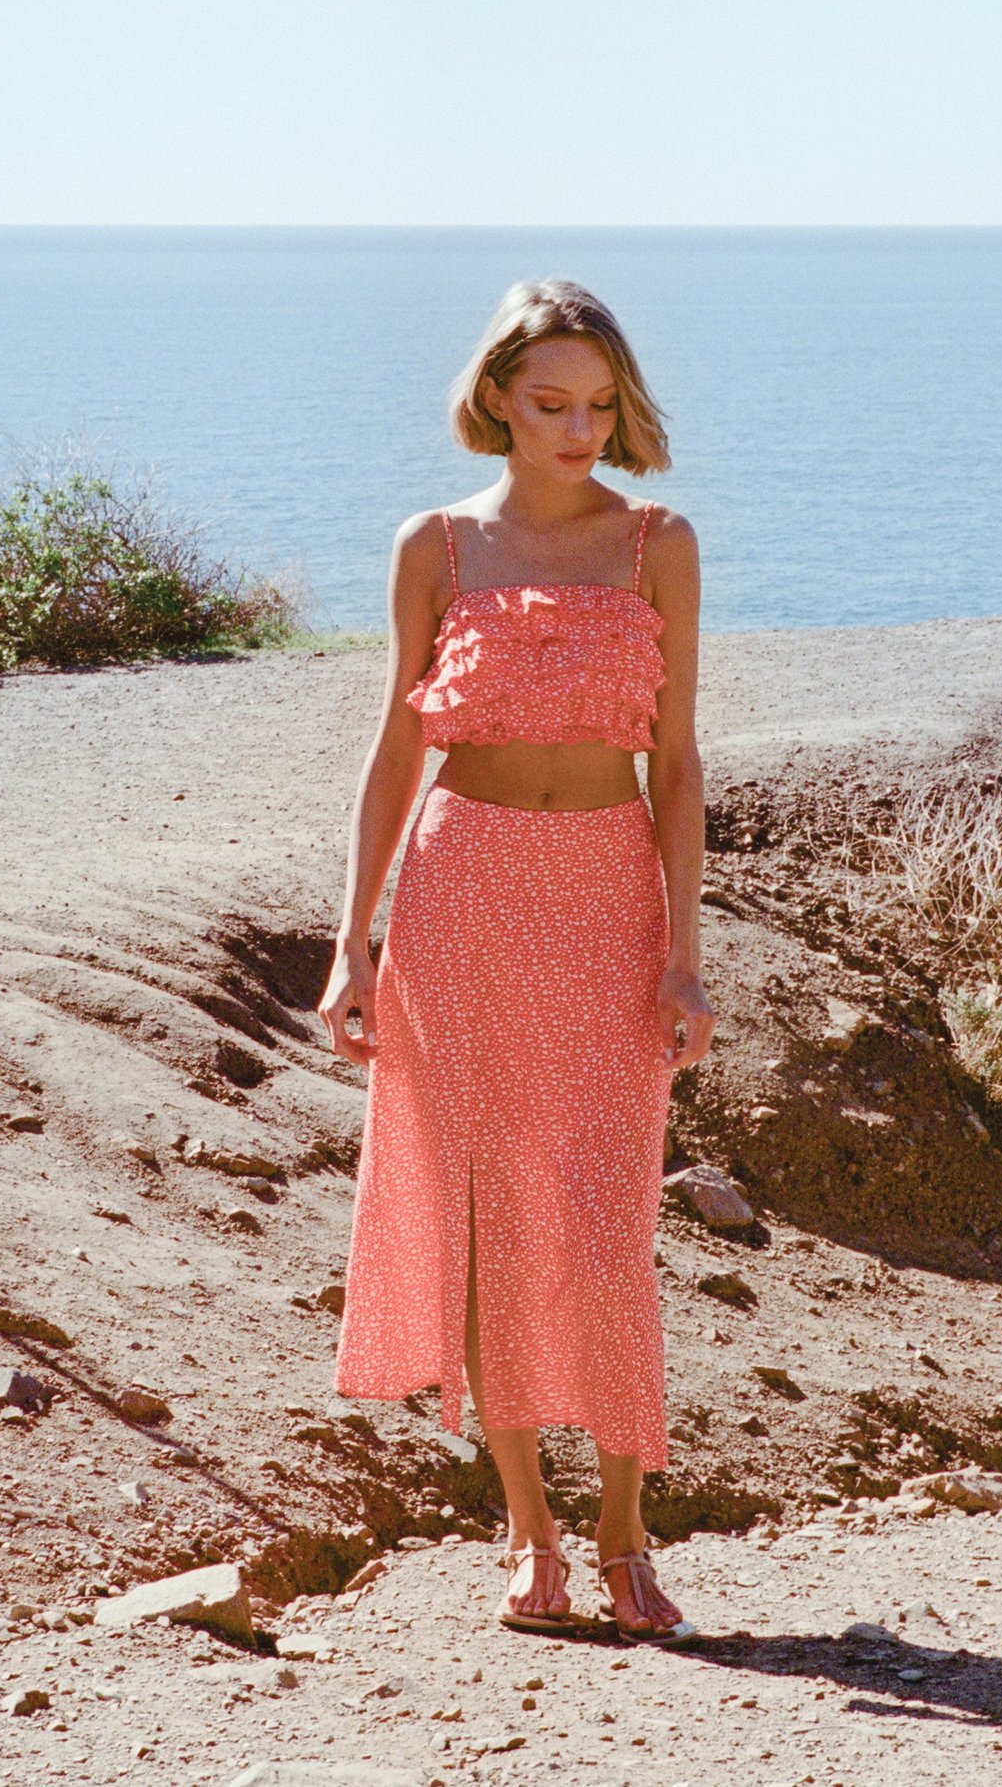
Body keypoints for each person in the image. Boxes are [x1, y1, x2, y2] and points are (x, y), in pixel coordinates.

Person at [320, 277, 715, 1641]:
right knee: (487, 1213)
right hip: (461, 893)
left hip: (606, 893)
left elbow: (678, 760)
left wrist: (684, 950)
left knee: (605, 1223)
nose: (579, 428)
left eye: (600, 403)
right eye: (552, 402)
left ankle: (623, 1531)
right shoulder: (434, 544)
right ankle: (529, 1533)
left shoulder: (657, 540)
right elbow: (392, 750)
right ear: (497, 396)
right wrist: (352, 938)